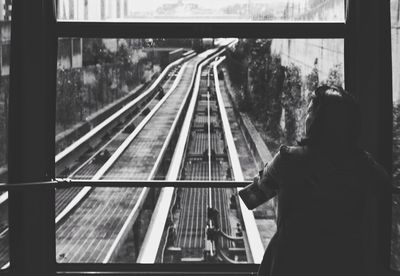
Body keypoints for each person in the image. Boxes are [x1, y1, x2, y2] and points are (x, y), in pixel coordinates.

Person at [241, 86, 391, 276]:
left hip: (292, 260)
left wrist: (265, 177)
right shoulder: (363, 164)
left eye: (310, 111)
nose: (306, 116)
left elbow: (252, 198)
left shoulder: (289, 159)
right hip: (345, 260)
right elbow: (383, 185)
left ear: (317, 121)